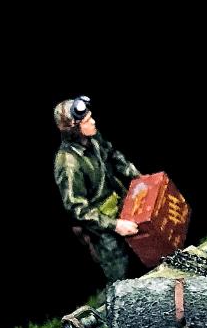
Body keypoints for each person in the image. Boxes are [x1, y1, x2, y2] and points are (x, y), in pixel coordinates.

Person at [53, 95, 141, 281]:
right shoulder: (68, 164)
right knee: (123, 279)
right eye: (86, 121)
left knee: (147, 256)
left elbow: (114, 156)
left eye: (90, 116)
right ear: (73, 130)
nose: (93, 122)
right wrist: (115, 225)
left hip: (123, 208)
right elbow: (77, 209)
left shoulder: (93, 138)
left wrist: (140, 179)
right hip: (103, 232)